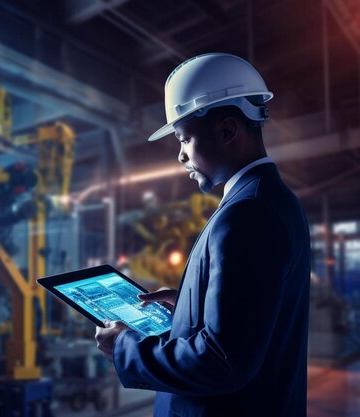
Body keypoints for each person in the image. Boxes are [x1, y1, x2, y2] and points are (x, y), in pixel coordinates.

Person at [95, 53, 311, 417]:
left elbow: (222, 362)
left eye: (184, 139)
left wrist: (124, 348)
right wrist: (188, 308)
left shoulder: (248, 214)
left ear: (227, 130)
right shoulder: (270, 200)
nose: (180, 156)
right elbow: (253, 318)